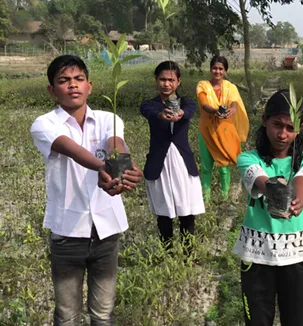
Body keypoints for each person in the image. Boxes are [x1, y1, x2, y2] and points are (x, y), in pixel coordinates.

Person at [30, 55, 142, 325]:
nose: (73, 86)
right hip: (68, 232)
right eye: (63, 81)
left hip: (106, 231)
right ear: (51, 90)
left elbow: (117, 142)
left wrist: (124, 166)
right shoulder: (44, 124)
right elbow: (72, 149)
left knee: (103, 313)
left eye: (79, 79)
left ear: (89, 86)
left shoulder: (108, 118)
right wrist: (104, 167)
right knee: (67, 315)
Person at [234, 90, 303, 326]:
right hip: (257, 255)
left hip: (297, 255)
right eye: (277, 125)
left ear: (300, 129)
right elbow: (262, 181)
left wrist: (299, 194)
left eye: (290, 128)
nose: (282, 134)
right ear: (264, 121)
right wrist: (276, 190)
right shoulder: (248, 158)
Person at [140, 61, 205, 248]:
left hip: (182, 163)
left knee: (187, 212)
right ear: (156, 81)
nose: (166, 84)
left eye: (171, 80)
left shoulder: (187, 102)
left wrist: (181, 113)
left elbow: (190, 111)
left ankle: (188, 253)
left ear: (178, 82)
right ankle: (166, 252)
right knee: (164, 212)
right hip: (159, 162)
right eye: (162, 79)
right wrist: (162, 115)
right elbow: (149, 112)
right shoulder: (149, 105)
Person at [196, 55, 249, 202]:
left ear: (225, 70)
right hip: (206, 130)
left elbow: (234, 102)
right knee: (206, 167)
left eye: (220, 69)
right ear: (210, 69)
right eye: (215, 68)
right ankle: (205, 200)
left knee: (224, 167)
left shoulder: (230, 87)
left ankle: (224, 199)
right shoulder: (202, 85)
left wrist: (232, 109)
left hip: (225, 130)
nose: (217, 71)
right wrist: (215, 111)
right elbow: (204, 103)